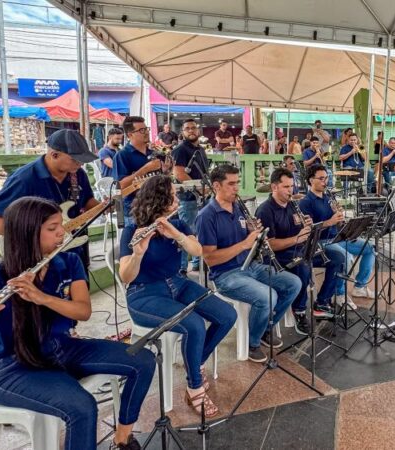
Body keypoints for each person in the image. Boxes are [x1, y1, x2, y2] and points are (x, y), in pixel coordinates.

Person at [0, 197, 155, 450]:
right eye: (52, 228)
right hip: (16, 369)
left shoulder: (68, 262)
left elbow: (83, 311)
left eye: (60, 225)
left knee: (144, 360)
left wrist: (43, 298)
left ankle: (123, 439)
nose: (62, 232)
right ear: (26, 234)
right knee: (82, 406)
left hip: (64, 348)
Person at [119, 175, 235, 418]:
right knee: (194, 324)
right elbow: (126, 276)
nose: (177, 199)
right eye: (172, 196)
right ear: (158, 200)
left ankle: (196, 361)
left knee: (227, 315)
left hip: (177, 283)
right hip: (144, 293)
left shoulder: (178, 224)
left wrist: (177, 235)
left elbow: (197, 250)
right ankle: (194, 388)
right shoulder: (131, 230)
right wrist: (138, 253)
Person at [195, 165, 302, 363]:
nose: (237, 188)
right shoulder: (206, 216)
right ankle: (253, 342)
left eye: (238, 182)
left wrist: (254, 233)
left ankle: (265, 328)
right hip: (226, 274)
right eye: (231, 184)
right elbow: (210, 258)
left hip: (250, 266)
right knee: (268, 296)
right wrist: (244, 244)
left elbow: (248, 240)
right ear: (216, 186)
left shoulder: (237, 207)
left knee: (293, 283)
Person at [0, 129, 100, 270]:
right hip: (36, 258)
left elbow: (87, 201)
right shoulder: (25, 179)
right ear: (54, 155)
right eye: (75, 160)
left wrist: (106, 205)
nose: (80, 164)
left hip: (71, 250)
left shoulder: (78, 174)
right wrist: (33, 242)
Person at [255, 168, 326, 334]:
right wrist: (297, 239)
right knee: (303, 264)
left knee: (334, 257)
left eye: (292, 186)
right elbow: (269, 245)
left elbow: (299, 232)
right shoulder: (265, 210)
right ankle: (299, 311)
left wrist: (307, 226)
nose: (291, 191)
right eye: (286, 187)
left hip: (296, 250)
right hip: (275, 257)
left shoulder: (293, 205)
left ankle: (323, 301)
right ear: (274, 187)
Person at [299, 165, 374, 308]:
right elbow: (309, 231)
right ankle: (339, 294)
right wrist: (330, 221)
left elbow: (337, 224)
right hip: (321, 241)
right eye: (321, 178)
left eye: (326, 178)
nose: (325, 181)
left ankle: (360, 286)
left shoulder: (328, 197)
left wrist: (340, 219)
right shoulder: (306, 202)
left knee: (369, 247)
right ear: (311, 180)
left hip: (337, 237)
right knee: (345, 257)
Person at [172, 118, 211, 273]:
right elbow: (179, 173)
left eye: (193, 128)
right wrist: (198, 189)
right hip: (188, 199)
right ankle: (181, 269)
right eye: (187, 128)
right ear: (182, 132)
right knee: (186, 234)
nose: (191, 131)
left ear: (198, 130)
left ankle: (197, 262)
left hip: (202, 197)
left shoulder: (200, 149)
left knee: (199, 232)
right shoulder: (181, 149)